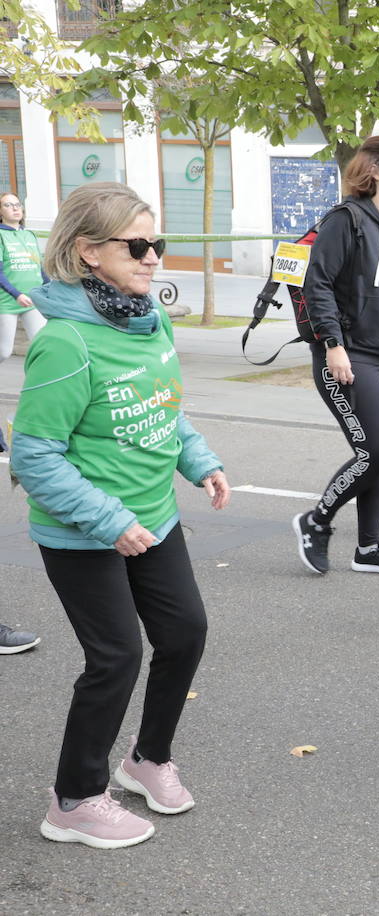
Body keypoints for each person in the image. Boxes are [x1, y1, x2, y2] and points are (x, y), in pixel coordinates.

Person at [9, 181, 228, 849]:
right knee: (115, 658)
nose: (153, 256)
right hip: (83, 531)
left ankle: (147, 760)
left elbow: (162, 406)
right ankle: (74, 799)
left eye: (157, 244)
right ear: (88, 251)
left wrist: (201, 460)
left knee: (186, 633)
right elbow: (33, 457)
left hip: (152, 515)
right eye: (138, 245)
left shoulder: (146, 316)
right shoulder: (66, 343)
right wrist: (109, 520)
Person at [292, 134, 379, 578]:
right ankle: (317, 520)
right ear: (373, 171)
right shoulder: (344, 220)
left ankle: (368, 547)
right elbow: (319, 283)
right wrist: (333, 344)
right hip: (351, 356)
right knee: (377, 450)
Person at [0, 193, 47, 364]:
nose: (14, 208)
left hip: (32, 299)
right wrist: (17, 294)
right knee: (4, 352)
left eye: (17, 204)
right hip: (7, 302)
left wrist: (51, 289)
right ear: (0, 212)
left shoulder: (30, 235)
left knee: (41, 346)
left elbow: (39, 269)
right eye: (7, 205)